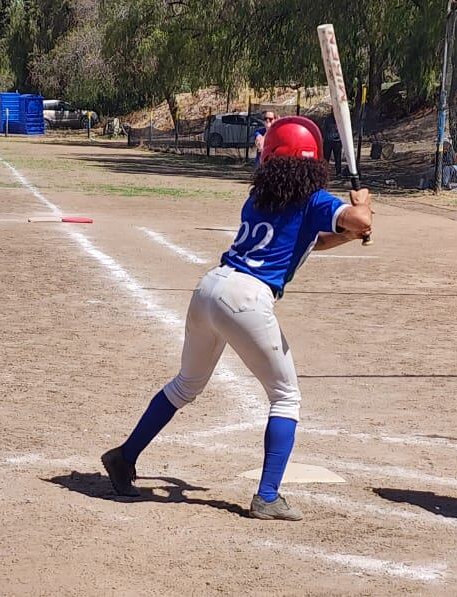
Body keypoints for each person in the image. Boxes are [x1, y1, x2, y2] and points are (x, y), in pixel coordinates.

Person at [101, 116, 373, 520]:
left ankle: (125, 456)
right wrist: (362, 207)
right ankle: (267, 496)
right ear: (314, 161)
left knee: (185, 385)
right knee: (286, 396)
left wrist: (348, 234)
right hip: (247, 299)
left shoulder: (261, 199)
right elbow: (360, 220)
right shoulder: (314, 199)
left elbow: (305, 244)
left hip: (210, 288)